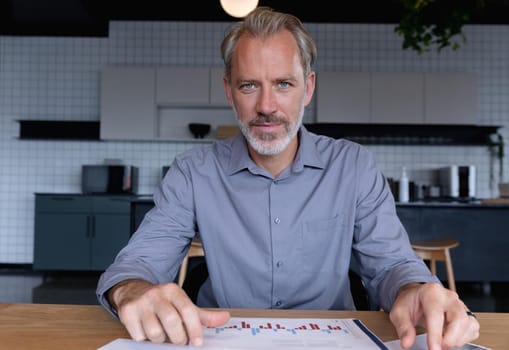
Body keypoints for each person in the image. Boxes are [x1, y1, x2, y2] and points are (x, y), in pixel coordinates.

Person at [96, 6, 480, 349]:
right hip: (216, 339)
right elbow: (138, 263)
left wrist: (415, 289)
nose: (266, 106)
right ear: (229, 91)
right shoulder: (192, 172)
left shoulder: (353, 165)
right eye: (249, 85)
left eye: (283, 84)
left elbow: (391, 264)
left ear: (308, 87)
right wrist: (132, 290)